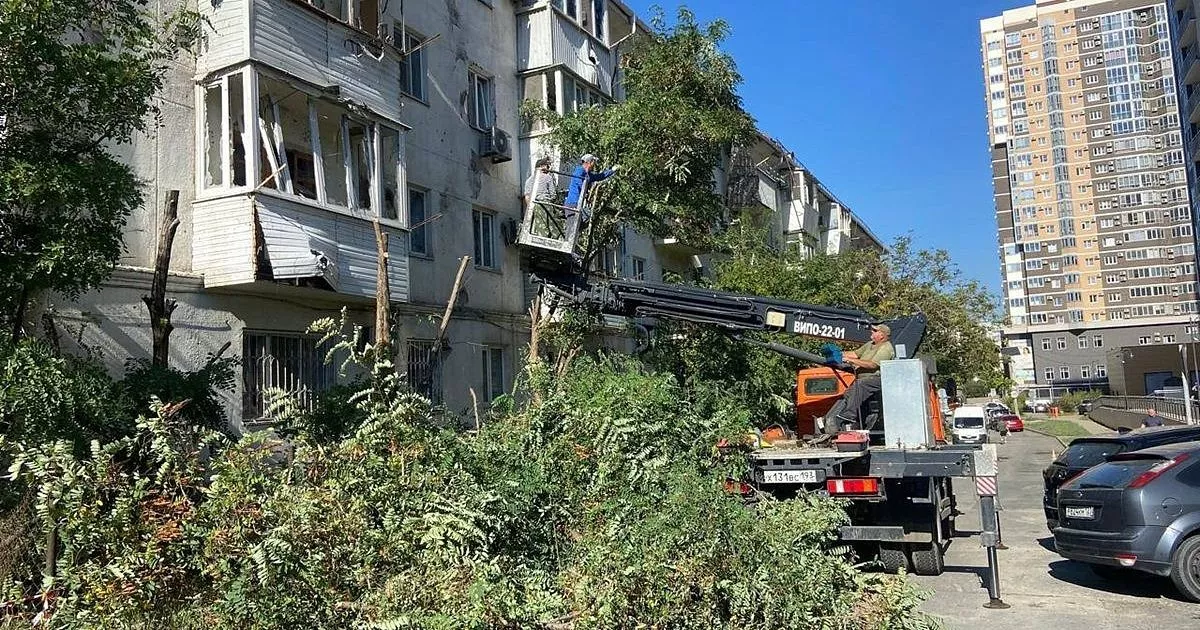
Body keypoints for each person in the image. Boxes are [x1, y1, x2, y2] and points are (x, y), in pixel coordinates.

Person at [821, 324, 896, 435]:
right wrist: (839, 354)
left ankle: (848, 415)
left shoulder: (886, 348)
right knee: (849, 393)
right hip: (865, 380)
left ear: (882, 335)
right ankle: (830, 418)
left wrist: (850, 360)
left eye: (875, 330)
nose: (871, 332)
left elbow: (872, 365)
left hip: (878, 379)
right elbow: (855, 354)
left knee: (860, 385)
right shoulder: (870, 344)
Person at [563, 154, 619, 221]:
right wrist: (586, 190)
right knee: (574, 223)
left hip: (579, 204)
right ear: (589, 162)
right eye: (593, 162)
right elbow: (578, 181)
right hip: (572, 203)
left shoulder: (588, 175)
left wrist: (612, 170)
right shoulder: (579, 170)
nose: (594, 165)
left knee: (585, 219)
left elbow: (599, 176)